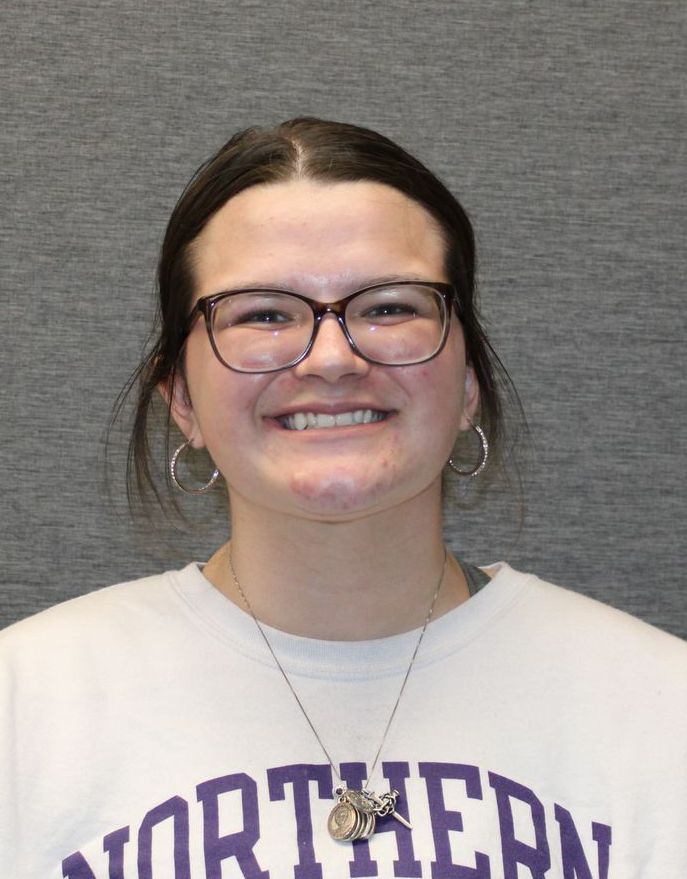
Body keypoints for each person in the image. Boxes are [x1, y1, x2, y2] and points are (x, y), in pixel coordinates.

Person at [1, 118, 685, 879]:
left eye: (389, 306)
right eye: (263, 312)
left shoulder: (658, 710)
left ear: (467, 385)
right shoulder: (23, 707)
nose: (331, 357)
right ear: (181, 399)